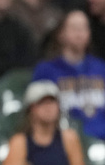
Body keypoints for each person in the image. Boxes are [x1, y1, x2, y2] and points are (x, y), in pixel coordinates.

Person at [0, 80, 85, 165]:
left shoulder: (70, 138)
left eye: (52, 102)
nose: (49, 107)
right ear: (31, 109)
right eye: (42, 103)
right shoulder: (19, 142)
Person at [33, 10, 105, 139]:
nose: (80, 33)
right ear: (61, 34)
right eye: (74, 28)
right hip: (64, 141)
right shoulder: (45, 71)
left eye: (84, 28)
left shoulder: (100, 68)